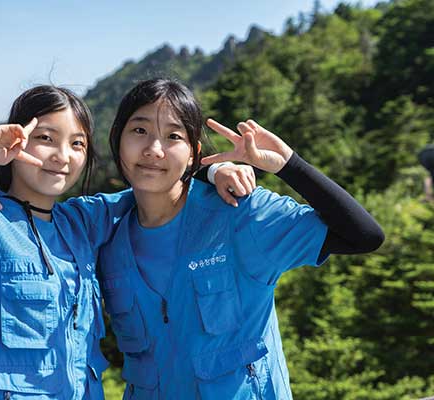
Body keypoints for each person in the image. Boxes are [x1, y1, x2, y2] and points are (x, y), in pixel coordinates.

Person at [0, 85, 255, 399]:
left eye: (78, 144)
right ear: (14, 142)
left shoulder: (82, 223)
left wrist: (214, 169)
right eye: (46, 139)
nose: (61, 157)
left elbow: (156, 178)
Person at [96, 78, 385, 399]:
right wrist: (211, 171)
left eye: (173, 136)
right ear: (116, 138)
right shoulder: (105, 228)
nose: (153, 149)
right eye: (139, 131)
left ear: (194, 153)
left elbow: (363, 236)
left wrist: (289, 165)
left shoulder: (239, 214)